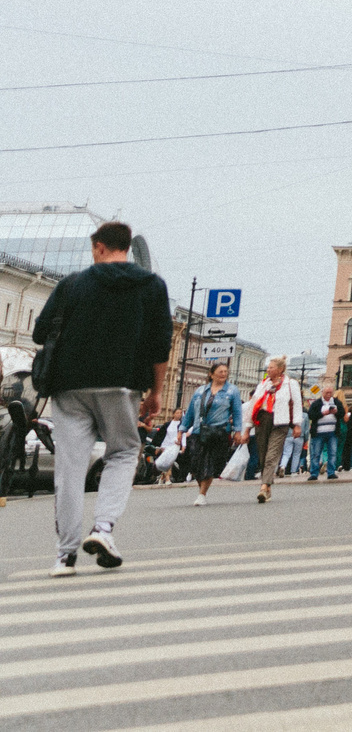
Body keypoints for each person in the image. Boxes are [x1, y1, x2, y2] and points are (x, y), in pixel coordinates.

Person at [31, 220, 171, 576]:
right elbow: (160, 348)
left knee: (70, 467)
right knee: (123, 452)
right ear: (127, 247)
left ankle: (64, 557)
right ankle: (103, 529)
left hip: (69, 387)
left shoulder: (73, 284)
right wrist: (155, 393)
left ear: (99, 247)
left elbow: (39, 333)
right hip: (121, 385)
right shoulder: (152, 286)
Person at [177, 360, 243, 505]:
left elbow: (237, 412)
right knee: (195, 463)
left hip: (218, 432)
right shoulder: (200, 391)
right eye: (220, 372)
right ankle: (202, 488)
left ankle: (202, 494)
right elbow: (190, 413)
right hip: (198, 431)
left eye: (226, 372)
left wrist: (238, 431)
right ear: (211, 374)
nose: (223, 374)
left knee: (210, 463)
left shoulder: (232, 391)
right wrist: (182, 429)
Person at [246, 356, 303, 506]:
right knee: (263, 456)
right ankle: (268, 486)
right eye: (268, 367)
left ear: (280, 370)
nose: (268, 370)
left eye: (271, 367)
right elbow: (253, 405)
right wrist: (247, 428)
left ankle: (263, 487)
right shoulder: (263, 384)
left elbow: (297, 404)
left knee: (272, 454)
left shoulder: (290, 384)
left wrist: (297, 424)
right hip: (262, 420)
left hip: (280, 422)